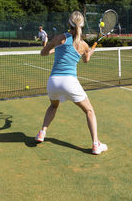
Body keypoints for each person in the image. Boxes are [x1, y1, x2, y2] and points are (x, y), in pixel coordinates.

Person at [35, 11, 108, 155]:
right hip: (69, 82)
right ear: (82, 25)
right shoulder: (84, 45)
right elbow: (86, 60)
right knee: (89, 111)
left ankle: (42, 132)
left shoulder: (59, 38)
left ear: (69, 24)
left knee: (53, 106)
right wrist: (90, 50)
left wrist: (54, 48)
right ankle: (95, 144)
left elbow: (43, 52)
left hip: (53, 82)